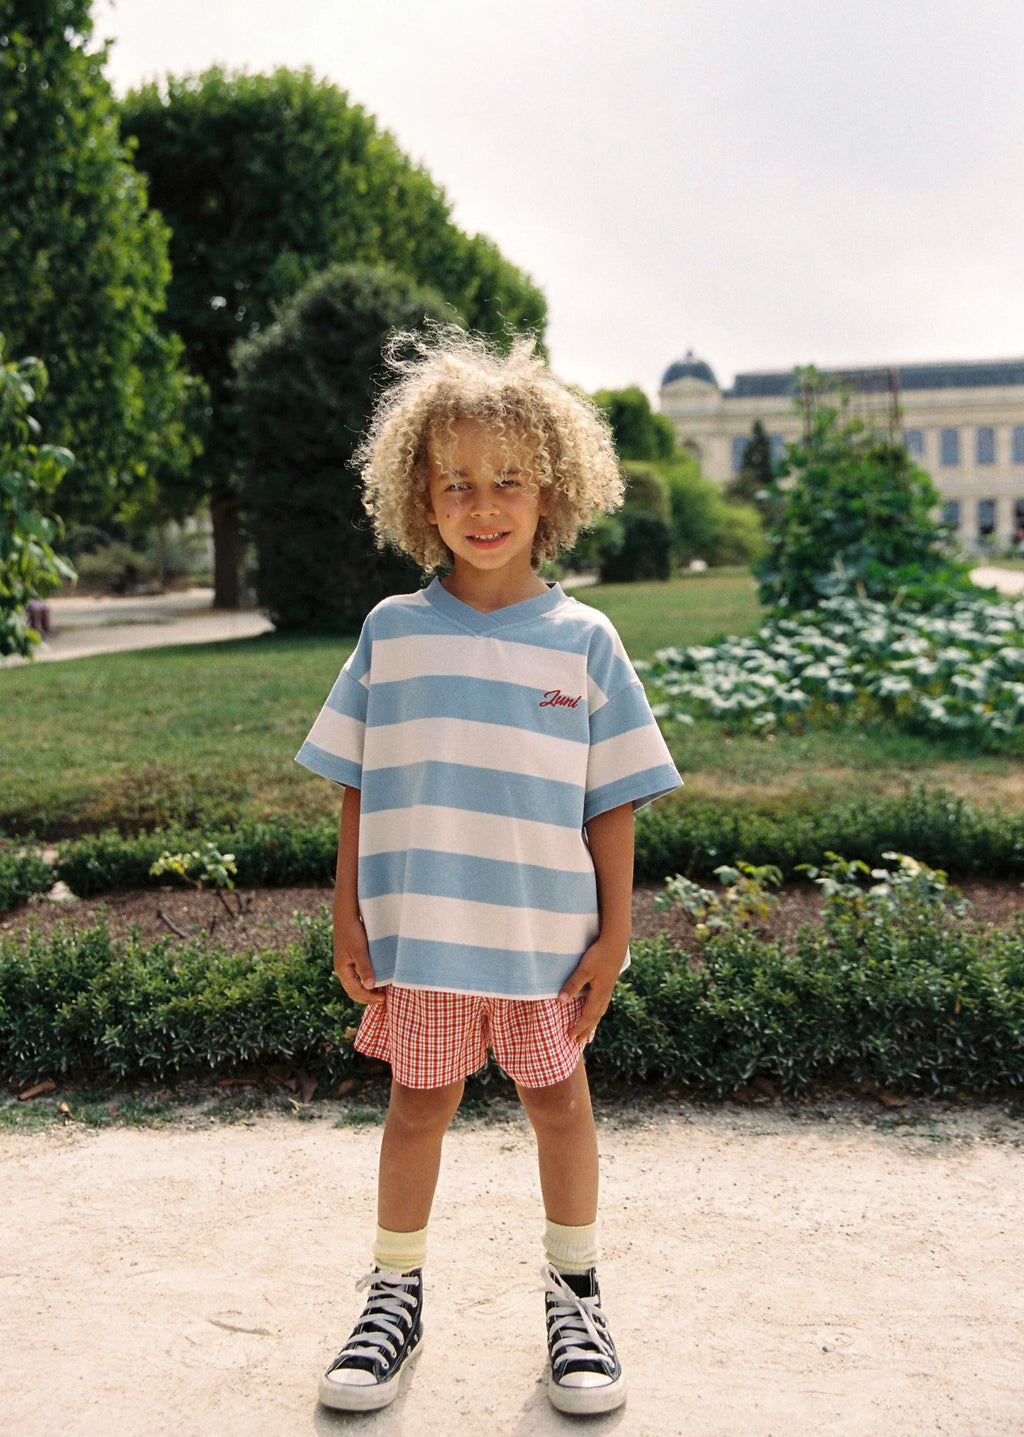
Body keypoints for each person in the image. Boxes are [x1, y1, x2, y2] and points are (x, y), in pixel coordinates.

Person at [295, 329, 682, 1416]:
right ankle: (393, 1295)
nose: (483, 503)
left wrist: (612, 936)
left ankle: (575, 1295)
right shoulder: (392, 633)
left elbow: (611, 800)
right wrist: (347, 914)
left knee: (559, 1105)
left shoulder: (586, 641)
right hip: (421, 935)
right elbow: (356, 785)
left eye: (508, 479)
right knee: (418, 1108)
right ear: (420, 493)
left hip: (545, 945)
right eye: (456, 481)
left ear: (549, 485)